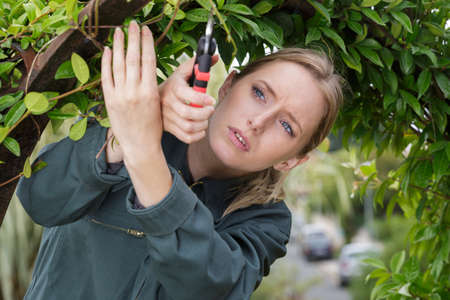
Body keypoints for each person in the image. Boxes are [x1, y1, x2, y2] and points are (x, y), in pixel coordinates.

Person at [16, 21, 343, 300]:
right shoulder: (133, 111)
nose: (258, 122)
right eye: (259, 93)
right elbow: (38, 198)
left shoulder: (266, 222)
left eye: (287, 126)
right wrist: (132, 129)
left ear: (292, 161)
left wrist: (143, 150)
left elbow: (206, 287)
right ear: (228, 86)